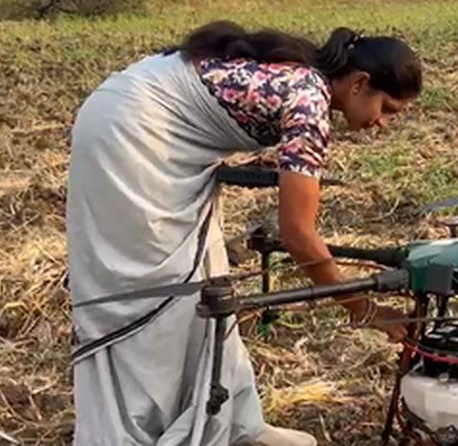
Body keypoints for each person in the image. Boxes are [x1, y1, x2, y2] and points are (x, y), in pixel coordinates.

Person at [65, 22, 423, 446]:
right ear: (361, 83)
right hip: (130, 133)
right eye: (388, 109)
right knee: (162, 287)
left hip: (142, 117)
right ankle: (142, 429)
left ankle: (229, 420)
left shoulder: (306, 79)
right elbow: (298, 235)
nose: (382, 123)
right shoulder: (309, 99)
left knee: (210, 274)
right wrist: (364, 309)